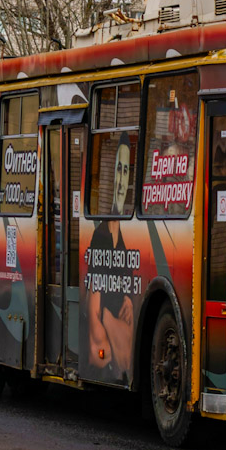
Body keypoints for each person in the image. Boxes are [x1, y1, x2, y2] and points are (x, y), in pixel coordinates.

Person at [86, 135, 136, 380]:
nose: (121, 178)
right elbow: (93, 303)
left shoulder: (124, 234)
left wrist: (127, 297)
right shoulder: (101, 234)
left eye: (126, 171)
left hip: (115, 318)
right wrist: (107, 322)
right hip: (103, 325)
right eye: (118, 168)